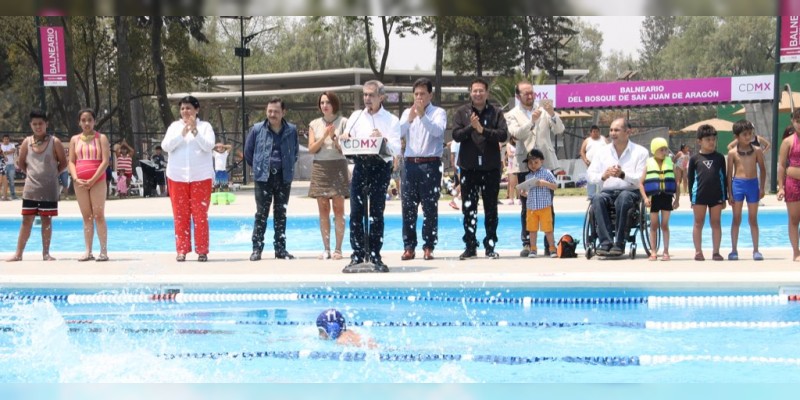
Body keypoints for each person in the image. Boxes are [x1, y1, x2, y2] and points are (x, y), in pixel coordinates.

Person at [340, 80, 401, 271]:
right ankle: (357, 255)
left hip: (380, 168)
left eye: (371, 95)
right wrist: (344, 137)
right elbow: (346, 137)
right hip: (360, 166)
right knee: (356, 212)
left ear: (381, 97)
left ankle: (375, 255)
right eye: (365, 95)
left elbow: (396, 149)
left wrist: (383, 139)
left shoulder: (391, 120)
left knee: (376, 213)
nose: (367, 98)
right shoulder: (356, 116)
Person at [505, 81, 565, 257]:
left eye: (532, 93)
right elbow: (517, 134)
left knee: (548, 204)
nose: (530, 96)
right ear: (518, 96)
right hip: (525, 164)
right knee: (526, 205)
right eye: (526, 93)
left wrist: (552, 113)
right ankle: (527, 244)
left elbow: (559, 129)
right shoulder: (512, 114)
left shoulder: (544, 109)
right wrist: (531, 121)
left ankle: (549, 244)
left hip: (546, 163)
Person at [452, 77, 509, 260]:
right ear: (470, 93)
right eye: (475, 91)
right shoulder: (462, 112)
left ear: (487, 93)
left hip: (490, 168)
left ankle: (490, 246)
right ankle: (470, 246)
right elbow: (456, 135)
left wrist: (482, 130)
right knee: (469, 208)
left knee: (491, 208)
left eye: (481, 91)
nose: (478, 94)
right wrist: (472, 127)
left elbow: (503, 135)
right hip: (468, 168)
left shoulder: (496, 112)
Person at [6, 109, 67, 262]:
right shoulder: (27, 142)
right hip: (31, 189)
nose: (38, 126)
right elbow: (21, 163)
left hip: (49, 189)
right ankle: (18, 253)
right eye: (35, 124)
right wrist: (32, 175)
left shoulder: (55, 142)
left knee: (46, 220)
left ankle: (46, 253)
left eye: (41, 123)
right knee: (26, 220)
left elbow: (63, 163)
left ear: (46, 124)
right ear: (30, 125)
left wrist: (52, 174)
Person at [161, 95, 215, 262]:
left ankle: (202, 250)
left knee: (200, 215)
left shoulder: (205, 127)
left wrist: (194, 131)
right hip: (177, 177)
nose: (185, 111)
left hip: (201, 176)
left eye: (189, 108)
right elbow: (165, 146)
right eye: (183, 108)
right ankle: (182, 250)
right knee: (180, 215)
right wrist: (183, 133)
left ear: (196, 110)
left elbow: (209, 146)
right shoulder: (174, 127)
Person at [245, 97, 299, 261]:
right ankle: (257, 249)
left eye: (276, 111)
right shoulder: (257, 129)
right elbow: (248, 152)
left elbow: (295, 152)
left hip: (283, 176)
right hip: (263, 177)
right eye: (269, 111)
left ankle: (280, 249)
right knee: (261, 214)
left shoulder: (291, 130)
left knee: (281, 213)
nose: (272, 114)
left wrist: (286, 166)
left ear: (283, 112)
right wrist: (259, 166)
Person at [399, 77, 447, 261]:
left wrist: (422, 116)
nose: (419, 97)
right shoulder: (407, 113)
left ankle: (428, 246)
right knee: (408, 208)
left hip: (430, 165)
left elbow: (437, 131)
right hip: (410, 164)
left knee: (430, 208)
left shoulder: (438, 112)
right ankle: (409, 247)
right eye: (416, 94)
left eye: (423, 94)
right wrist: (409, 119)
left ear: (430, 95)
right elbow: (398, 133)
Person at [586, 118, 648, 257]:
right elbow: (590, 175)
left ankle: (619, 243)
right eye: (611, 130)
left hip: (630, 191)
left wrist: (623, 175)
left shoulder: (640, 152)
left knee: (624, 197)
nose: (613, 133)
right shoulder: (602, 152)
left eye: (617, 130)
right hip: (607, 191)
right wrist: (603, 176)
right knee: (597, 198)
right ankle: (606, 243)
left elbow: (641, 178)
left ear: (628, 131)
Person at [307, 91, 349, 261]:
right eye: (322, 102)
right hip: (320, 167)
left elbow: (346, 149)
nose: (324, 105)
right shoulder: (314, 124)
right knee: (323, 209)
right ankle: (326, 248)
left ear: (334, 104)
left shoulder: (344, 122)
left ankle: (338, 249)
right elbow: (311, 149)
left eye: (328, 102)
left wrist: (334, 137)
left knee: (339, 208)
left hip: (338, 166)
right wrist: (324, 136)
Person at [68, 108, 111, 262]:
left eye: (89, 120)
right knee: (87, 216)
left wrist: (93, 179)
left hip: (97, 180)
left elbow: (105, 161)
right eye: (83, 120)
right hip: (79, 182)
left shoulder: (101, 138)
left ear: (94, 121)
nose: (87, 123)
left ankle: (103, 251)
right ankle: (88, 251)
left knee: (98, 215)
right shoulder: (74, 139)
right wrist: (75, 178)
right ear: (79, 122)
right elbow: (71, 161)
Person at [726, 120, 766, 261]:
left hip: (752, 185)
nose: (748, 136)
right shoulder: (732, 153)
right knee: (736, 218)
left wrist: (762, 187)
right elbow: (729, 174)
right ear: (736, 136)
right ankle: (734, 250)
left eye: (750, 133)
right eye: (745, 134)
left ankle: (756, 250)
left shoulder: (757, 150)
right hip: (738, 185)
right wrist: (730, 193)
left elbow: (763, 169)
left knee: (753, 219)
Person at [688, 124, 727, 262]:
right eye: (708, 140)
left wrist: (724, 197)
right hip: (699, 195)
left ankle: (716, 252)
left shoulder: (720, 157)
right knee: (698, 223)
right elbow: (691, 180)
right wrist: (691, 199)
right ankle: (698, 252)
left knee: (716, 223)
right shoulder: (694, 159)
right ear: (699, 141)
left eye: (713, 139)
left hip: (716, 195)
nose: (711, 142)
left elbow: (723, 178)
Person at [639, 137, 680, 262]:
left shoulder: (671, 164)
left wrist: (677, 199)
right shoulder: (648, 164)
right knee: (654, 225)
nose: (664, 152)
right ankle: (653, 252)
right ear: (654, 151)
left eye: (665, 149)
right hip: (654, 198)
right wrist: (645, 198)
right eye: (661, 150)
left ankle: (666, 251)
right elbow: (640, 183)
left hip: (666, 197)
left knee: (665, 225)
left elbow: (677, 182)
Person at [518, 149, 558, 258]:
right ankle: (533, 249)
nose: (533, 165)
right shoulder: (528, 177)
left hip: (544, 207)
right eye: (530, 163)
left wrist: (544, 183)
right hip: (531, 208)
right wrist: (524, 193)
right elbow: (528, 192)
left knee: (548, 229)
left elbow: (555, 186)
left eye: (536, 162)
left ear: (542, 161)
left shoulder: (546, 173)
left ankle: (552, 248)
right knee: (532, 230)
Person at [777, 109, 800, 262]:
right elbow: (781, 165)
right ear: (793, 121)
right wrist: (781, 187)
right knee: (794, 219)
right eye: (798, 121)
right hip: (793, 183)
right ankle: (796, 252)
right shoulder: (787, 142)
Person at [579, 125, 609, 200]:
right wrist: (585, 159)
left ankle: (602, 194)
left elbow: (610, 149)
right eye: (594, 131)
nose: (595, 133)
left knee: (602, 178)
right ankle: (591, 196)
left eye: (597, 131)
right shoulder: (587, 140)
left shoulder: (603, 139)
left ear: (599, 132)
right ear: (591, 133)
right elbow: (582, 151)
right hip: (590, 164)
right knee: (591, 179)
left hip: (602, 163)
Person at [2, 134, 18, 200]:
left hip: (11, 165)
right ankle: (4, 196)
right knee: (3, 182)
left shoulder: (12, 145)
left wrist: (4, 153)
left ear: (9, 139)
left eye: (7, 139)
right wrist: (7, 152)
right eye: (5, 139)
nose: (6, 140)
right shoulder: (1, 146)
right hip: (3, 166)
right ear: (3, 139)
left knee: (12, 181)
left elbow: (13, 151)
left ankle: (13, 195)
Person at [448, 140, 461, 210]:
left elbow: (448, 144)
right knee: (462, 184)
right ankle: (453, 201)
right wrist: (453, 166)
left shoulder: (456, 141)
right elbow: (452, 154)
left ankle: (455, 199)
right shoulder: (455, 142)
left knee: (462, 184)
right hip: (458, 166)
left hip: (461, 165)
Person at [505, 138, 518, 205]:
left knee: (519, 183)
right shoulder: (508, 144)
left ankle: (519, 198)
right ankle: (511, 199)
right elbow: (509, 154)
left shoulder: (519, 144)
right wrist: (517, 154)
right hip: (511, 165)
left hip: (518, 165)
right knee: (512, 184)